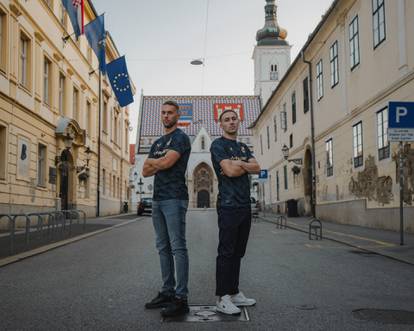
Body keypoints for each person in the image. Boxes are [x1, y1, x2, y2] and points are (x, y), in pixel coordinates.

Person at [142, 100, 191, 318]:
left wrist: (156, 161)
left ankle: (181, 298)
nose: (166, 116)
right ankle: (167, 291)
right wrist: (157, 160)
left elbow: (166, 164)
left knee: (177, 247)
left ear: (177, 116)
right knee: (162, 247)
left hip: (175, 198)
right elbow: (145, 171)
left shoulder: (180, 138)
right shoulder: (157, 142)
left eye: (170, 113)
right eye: (163, 113)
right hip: (158, 199)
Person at [210, 109, 261, 315]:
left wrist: (238, 163)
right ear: (220, 124)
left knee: (238, 252)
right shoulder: (218, 145)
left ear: (239, 121)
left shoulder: (242, 146)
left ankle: (234, 292)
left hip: (243, 205)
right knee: (226, 252)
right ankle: (222, 297)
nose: (231, 122)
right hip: (228, 205)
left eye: (234, 119)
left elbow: (257, 167)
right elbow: (230, 172)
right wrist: (242, 164)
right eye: (226, 120)